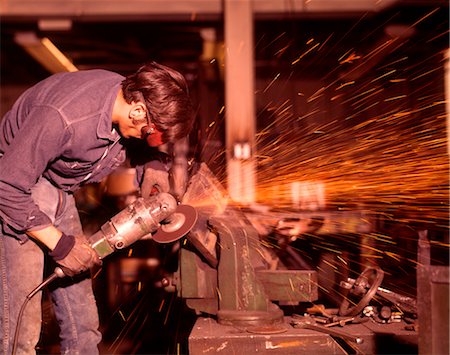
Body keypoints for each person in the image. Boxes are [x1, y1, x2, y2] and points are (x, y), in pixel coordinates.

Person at [0, 61, 195, 354]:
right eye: (150, 135)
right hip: (18, 190)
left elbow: (144, 145)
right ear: (138, 110)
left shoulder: (128, 102)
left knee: (83, 323)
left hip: (58, 189)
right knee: (22, 331)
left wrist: (153, 165)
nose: (149, 140)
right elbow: (7, 185)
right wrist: (61, 246)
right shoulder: (63, 117)